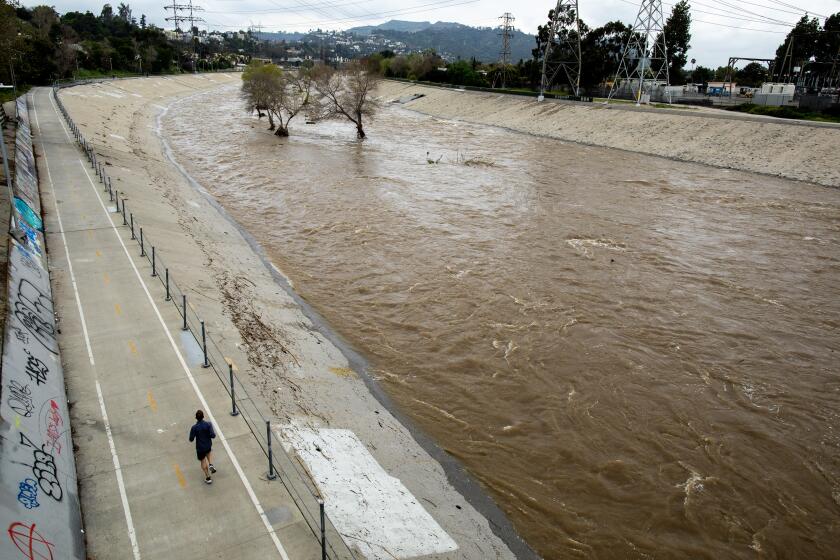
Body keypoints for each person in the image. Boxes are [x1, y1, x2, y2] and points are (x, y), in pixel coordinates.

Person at [189, 410, 217, 484]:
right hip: (208, 445)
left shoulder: (194, 427)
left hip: (200, 448)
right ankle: (210, 464)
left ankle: (208, 477)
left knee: (203, 461)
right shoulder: (208, 424)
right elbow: (213, 435)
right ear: (203, 416)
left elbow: (191, 439)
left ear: (196, 418)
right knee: (208, 453)